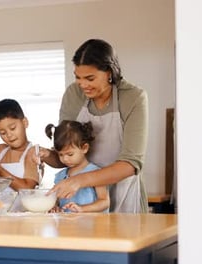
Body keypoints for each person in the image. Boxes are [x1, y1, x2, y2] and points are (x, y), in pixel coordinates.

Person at [41, 39, 149, 213]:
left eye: (90, 78)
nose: (83, 84)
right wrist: (44, 155)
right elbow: (66, 152)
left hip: (124, 196)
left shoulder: (133, 97)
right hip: (81, 199)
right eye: (78, 77)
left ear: (109, 73)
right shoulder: (73, 94)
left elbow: (131, 164)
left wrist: (80, 180)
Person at [46, 120, 109, 213]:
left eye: (70, 154)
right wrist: (55, 206)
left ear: (84, 148)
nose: (65, 159)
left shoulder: (96, 174)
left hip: (92, 226)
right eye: (61, 155)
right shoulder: (60, 176)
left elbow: (104, 201)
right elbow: (57, 199)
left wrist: (82, 209)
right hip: (67, 226)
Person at [0, 99, 40, 212]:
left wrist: (0, 170)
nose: (9, 135)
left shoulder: (32, 153)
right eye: (2, 132)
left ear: (25, 122)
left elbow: (27, 189)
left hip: (21, 219)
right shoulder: (0, 150)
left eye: (12, 128)